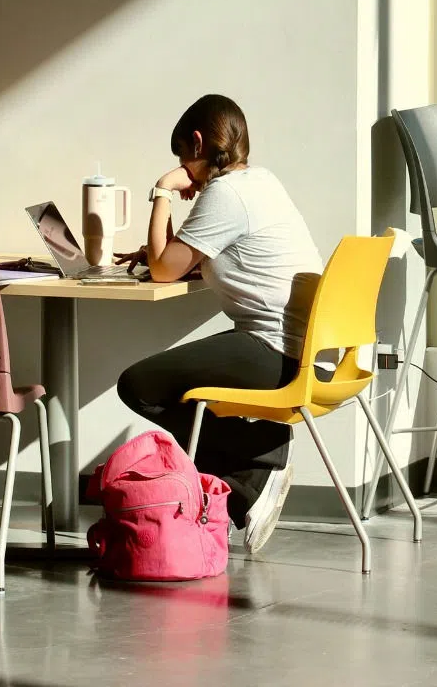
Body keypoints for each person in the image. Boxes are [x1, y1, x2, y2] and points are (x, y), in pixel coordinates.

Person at [115, 95, 323, 554]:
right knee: (166, 386)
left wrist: (163, 190)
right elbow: (180, 259)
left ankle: (260, 458)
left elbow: (166, 270)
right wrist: (160, 255)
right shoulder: (260, 183)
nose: (182, 169)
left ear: (195, 143)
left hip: (276, 349)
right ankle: (246, 477)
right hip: (309, 347)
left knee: (138, 385)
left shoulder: (225, 194)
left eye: (181, 159)